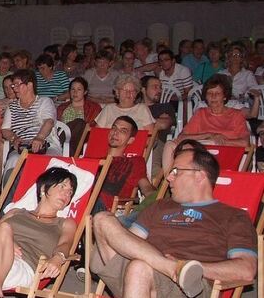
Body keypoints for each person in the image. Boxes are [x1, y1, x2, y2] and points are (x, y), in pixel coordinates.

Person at [91, 142, 257, 298]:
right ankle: (172, 269)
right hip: (139, 272)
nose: (169, 177)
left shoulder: (233, 216)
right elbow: (129, 242)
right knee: (102, 219)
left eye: (176, 171)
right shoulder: (159, 206)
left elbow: (246, 269)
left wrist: (190, 267)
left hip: (189, 288)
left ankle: (176, 270)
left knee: (139, 268)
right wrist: (172, 267)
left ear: (199, 176)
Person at [0, 167, 77, 298]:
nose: (66, 194)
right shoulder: (16, 212)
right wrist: (6, 242)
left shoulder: (65, 223)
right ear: (43, 188)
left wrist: (58, 258)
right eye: (62, 187)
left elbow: (65, 244)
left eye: (70, 192)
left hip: (23, 268)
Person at [161, 74, 250, 173]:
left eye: (217, 93)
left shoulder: (236, 115)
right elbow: (181, 138)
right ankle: (170, 180)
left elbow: (245, 143)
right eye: (210, 93)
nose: (213, 96)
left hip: (227, 154)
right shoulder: (201, 113)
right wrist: (209, 135)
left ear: (225, 97)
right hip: (201, 154)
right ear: (206, 97)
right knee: (170, 145)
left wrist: (219, 141)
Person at [1, 69, 61, 173]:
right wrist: (14, 138)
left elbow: (49, 122)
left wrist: (39, 137)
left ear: (29, 85)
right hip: (22, 147)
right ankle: (12, 189)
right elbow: (5, 130)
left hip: (46, 144)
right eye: (13, 85)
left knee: (44, 161)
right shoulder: (12, 107)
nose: (14, 88)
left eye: (17, 84)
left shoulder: (44, 101)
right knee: (13, 161)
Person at [95, 116, 155, 212]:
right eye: (114, 128)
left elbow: (146, 187)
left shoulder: (135, 162)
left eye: (123, 131)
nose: (115, 133)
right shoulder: (95, 161)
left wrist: (158, 203)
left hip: (105, 206)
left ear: (131, 140)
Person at [56, 77, 102, 156]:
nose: (75, 92)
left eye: (79, 89)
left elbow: (95, 129)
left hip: (83, 139)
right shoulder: (62, 108)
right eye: (72, 89)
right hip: (63, 137)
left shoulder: (94, 108)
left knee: (80, 123)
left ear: (85, 92)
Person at [141, 76, 175, 178]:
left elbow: (163, 124)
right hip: (136, 141)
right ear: (143, 89)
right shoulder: (136, 108)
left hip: (157, 142)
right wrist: (156, 120)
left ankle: (157, 189)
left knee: (153, 171)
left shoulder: (165, 107)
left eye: (160, 87)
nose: (159, 90)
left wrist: (140, 123)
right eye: (155, 87)